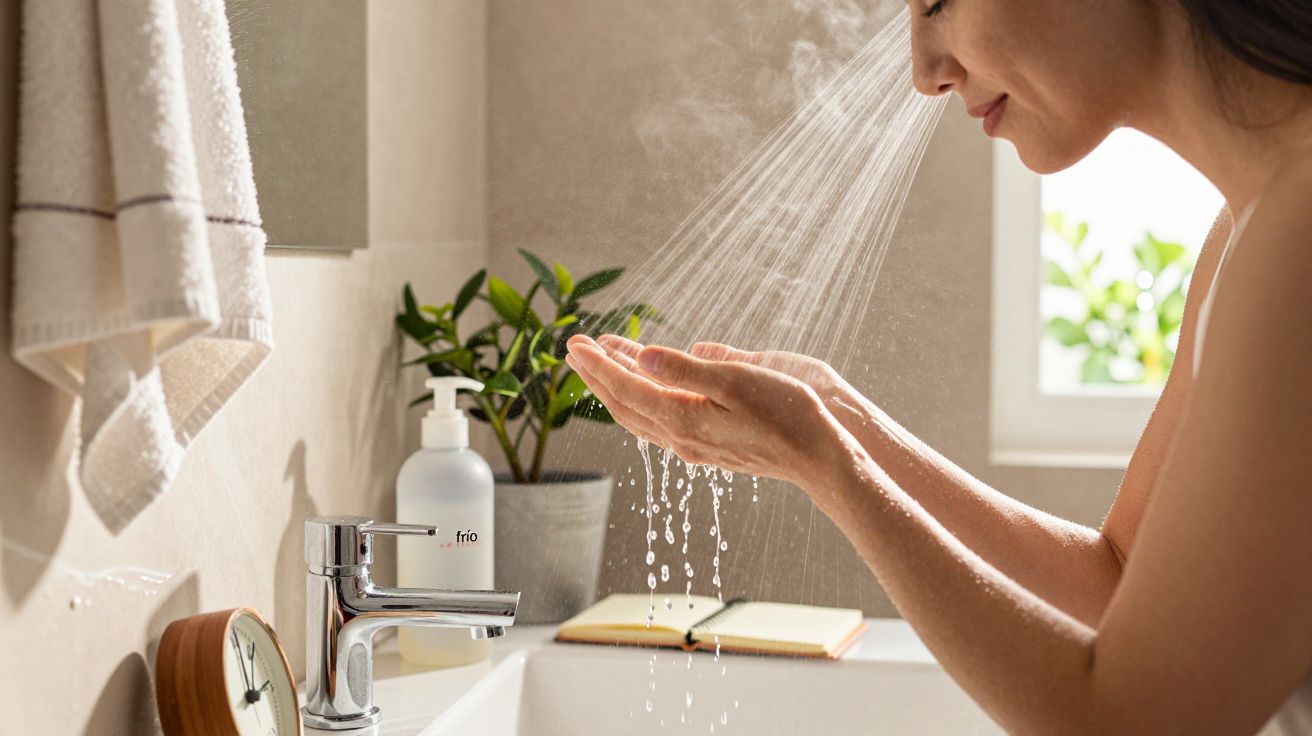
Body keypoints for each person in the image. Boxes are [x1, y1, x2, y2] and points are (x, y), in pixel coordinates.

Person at [564, 1, 1312, 733]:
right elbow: (1115, 582)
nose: (926, 73)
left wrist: (830, 468)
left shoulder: (1298, 232)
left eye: (940, 3)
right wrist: (841, 424)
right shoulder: (1252, 228)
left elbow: (1136, 722)